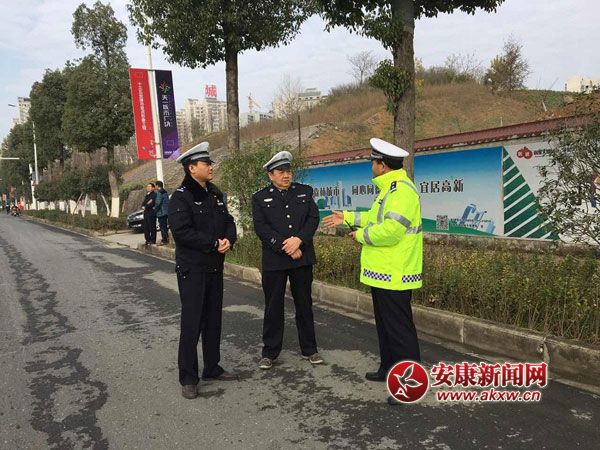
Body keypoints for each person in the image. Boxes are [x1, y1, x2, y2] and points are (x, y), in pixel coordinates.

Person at [323, 138, 423, 406]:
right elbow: (374, 217)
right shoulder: (389, 189)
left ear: (382, 165)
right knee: (386, 326)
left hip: (396, 272)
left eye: (373, 162)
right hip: (384, 271)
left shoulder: (402, 192)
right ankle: (388, 368)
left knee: (399, 331)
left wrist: (360, 236)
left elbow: (391, 231)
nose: (371, 167)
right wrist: (347, 217)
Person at [168, 142, 238, 400]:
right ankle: (188, 377)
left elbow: (229, 221)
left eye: (210, 163)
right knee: (192, 322)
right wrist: (213, 243)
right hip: (193, 269)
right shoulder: (181, 197)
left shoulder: (215, 194)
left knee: (213, 319)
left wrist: (229, 240)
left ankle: (212, 367)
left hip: (214, 267)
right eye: (206, 163)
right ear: (191, 168)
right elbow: (182, 233)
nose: (210, 167)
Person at [252, 150, 322, 370]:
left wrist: (299, 240)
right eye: (281, 171)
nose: (286, 175)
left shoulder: (304, 191)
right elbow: (261, 228)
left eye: (288, 171)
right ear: (270, 175)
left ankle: (310, 348)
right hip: (275, 260)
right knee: (273, 306)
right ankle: (270, 352)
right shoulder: (260, 197)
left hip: (302, 257)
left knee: (304, 304)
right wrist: (287, 246)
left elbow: (313, 219)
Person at [154, 181, 170, 245]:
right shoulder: (165, 192)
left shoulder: (160, 193)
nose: (155, 187)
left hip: (161, 212)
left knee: (162, 227)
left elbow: (158, 203)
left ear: (158, 186)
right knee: (165, 226)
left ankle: (164, 240)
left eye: (155, 185)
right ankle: (166, 238)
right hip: (166, 212)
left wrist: (155, 210)